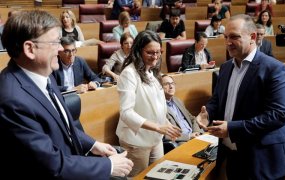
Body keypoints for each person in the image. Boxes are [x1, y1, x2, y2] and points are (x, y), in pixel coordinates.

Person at [0, 10, 133, 179]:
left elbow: (62, 125)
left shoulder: (43, 74)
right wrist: (109, 165)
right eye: (55, 42)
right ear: (30, 48)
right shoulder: (12, 100)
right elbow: (52, 165)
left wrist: (92, 144)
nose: (62, 48)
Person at [197, 14, 285, 179]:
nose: (228, 42)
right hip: (233, 155)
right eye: (226, 37)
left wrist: (231, 128)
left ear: (252, 37)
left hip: (263, 158)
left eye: (234, 37)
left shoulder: (274, 69)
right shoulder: (225, 68)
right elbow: (217, 100)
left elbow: (278, 115)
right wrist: (208, 112)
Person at [116, 30, 182, 177]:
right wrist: (159, 127)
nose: (156, 57)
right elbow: (126, 113)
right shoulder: (129, 74)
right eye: (150, 53)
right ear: (139, 51)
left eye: (158, 52)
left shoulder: (151, 71)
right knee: (138, 177)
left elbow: (156, 106)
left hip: (155, 138)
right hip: (136, 141)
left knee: (158, 175)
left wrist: (166, 124)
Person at [162, 74, 203, 144]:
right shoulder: (159, 106)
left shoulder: (177, 101)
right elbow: (165, 134)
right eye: (167, 84)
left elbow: (192, 118)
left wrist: (196, 132)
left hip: (194, 134)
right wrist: (189, 136)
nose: (171, 87)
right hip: (182, 140)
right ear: (159, 87)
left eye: (172, 83)